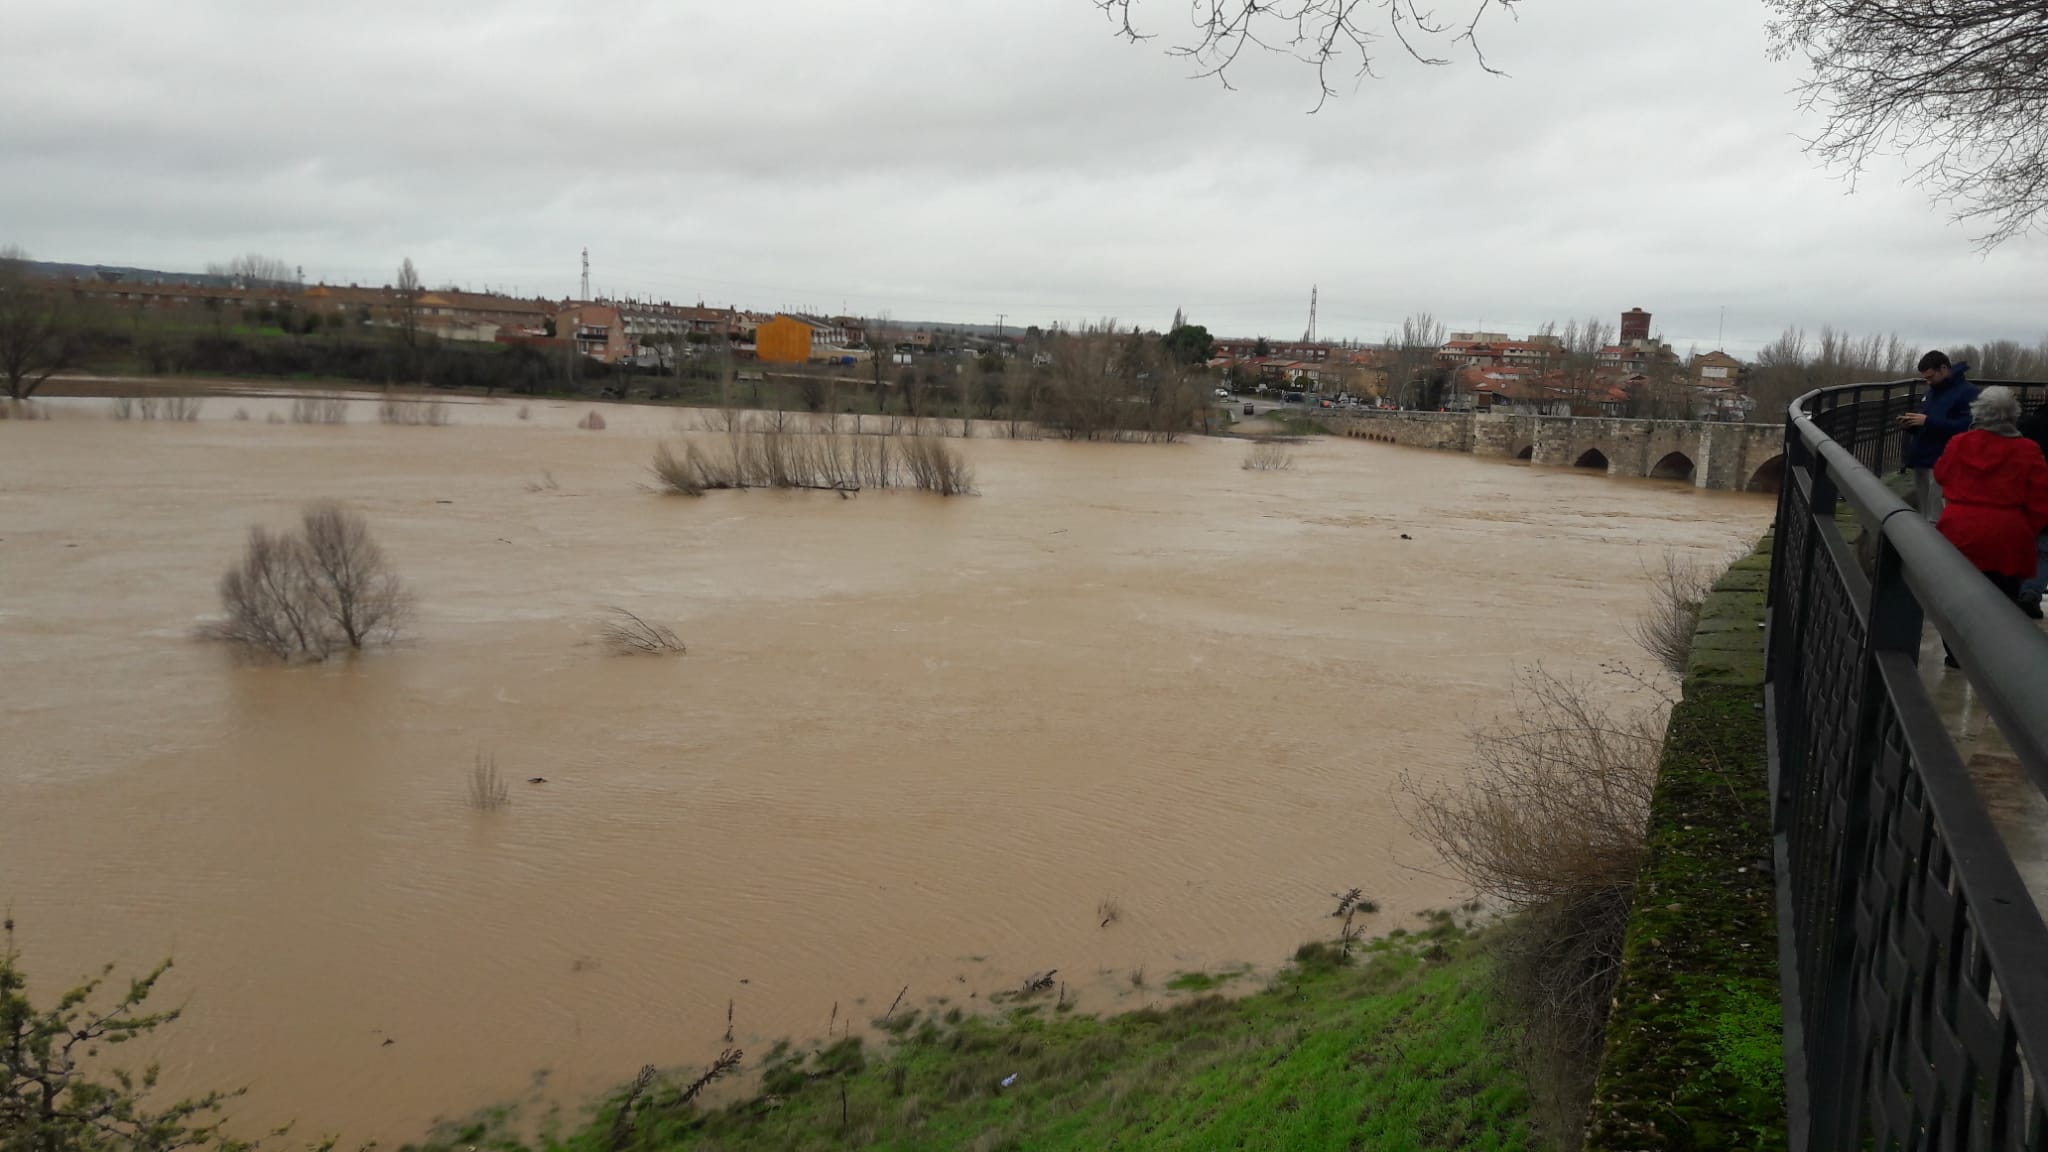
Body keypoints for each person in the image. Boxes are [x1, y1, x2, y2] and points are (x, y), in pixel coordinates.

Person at [1932, 387, 2048, 663]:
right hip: (2009, 535)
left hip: (1959, 529)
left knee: (1956, 595)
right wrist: (2023, 529)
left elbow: (1941, 474)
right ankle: (1991, 657)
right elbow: (2041, 501)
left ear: (1978, 413)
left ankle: (1955, 653)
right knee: (2003, 598)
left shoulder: (1960, 442)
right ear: (2013, 416)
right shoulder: (2028, 450)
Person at [1898, 351, 1977, 522]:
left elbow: (1967, 427)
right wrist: (1911, 425)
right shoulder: (1933, 391)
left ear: (1943, 369)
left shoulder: (1968, 392)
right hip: (1923, 458)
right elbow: (1927, 420)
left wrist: (1928, 422)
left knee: (1937, 516)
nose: (1928, 382)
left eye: (1931, 377)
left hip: (1943, 461)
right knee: (1924, 514)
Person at [2018, 395, 2048, 619]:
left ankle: (2019, 590)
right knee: (2045, 551)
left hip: (2028, 492)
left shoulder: (2029, 424)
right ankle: (2030, 591)